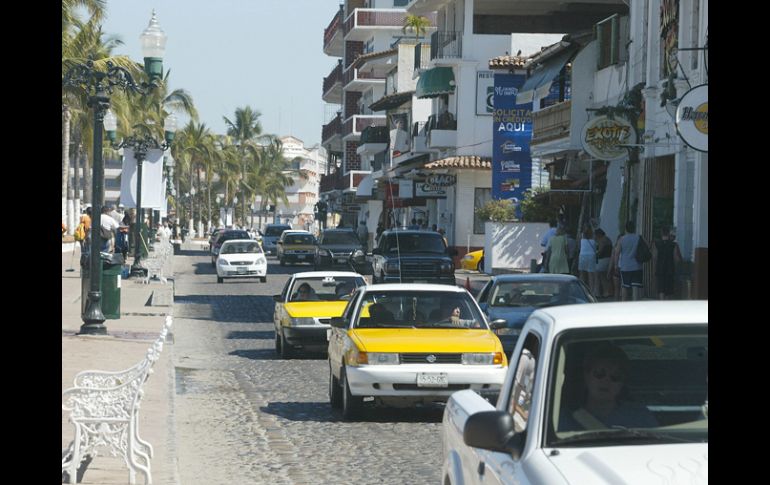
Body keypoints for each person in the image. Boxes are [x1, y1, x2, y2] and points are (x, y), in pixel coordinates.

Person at [560, 343, 658, 431]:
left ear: (622, 383)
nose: (606, 381)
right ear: (586, 376)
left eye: (615, 377)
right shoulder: (563, 419)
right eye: (599, 374)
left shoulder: (640, 417)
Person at [616, 221, 643, 301]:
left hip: (625, 267)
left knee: (625, 286)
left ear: (626, 228)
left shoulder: (622, 239)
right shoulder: (638, 237)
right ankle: (635, 304)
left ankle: (624, 304)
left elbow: (617, 253)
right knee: (635, 287)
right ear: (634, 228)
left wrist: (615, 265)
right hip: (637, 266)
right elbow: (646, 247)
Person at [654, 226, 682, 300]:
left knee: (661, 290)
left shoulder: (657, 244)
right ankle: (667, 308)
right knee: (668, 291)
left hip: (660, 270)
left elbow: (655, 257)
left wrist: (656, 266)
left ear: (661, 233)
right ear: (668, 233)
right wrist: (675, 266)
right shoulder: (674, 245)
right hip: (670, 270)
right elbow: (677, 258)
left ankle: (661, 306)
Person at [593, 229, 613, 298]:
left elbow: (600, 251)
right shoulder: (608, 239)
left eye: (595, 235)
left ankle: (598, 293)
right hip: (608, 260)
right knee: (604, 277)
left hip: (603, 260)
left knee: (598, 276)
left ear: (599, 234)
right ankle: (606, 292)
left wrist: (594, 255)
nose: (594, 237)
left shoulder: (602, 240)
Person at [578, 228, 598, 294]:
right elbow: (595, 249)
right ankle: (591, 290)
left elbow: (579, 246)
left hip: (582, 256)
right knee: (591, 274)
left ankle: (582, 289)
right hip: (591, 256)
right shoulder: (593, 241)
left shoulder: (582, 240)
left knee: (582, 273)